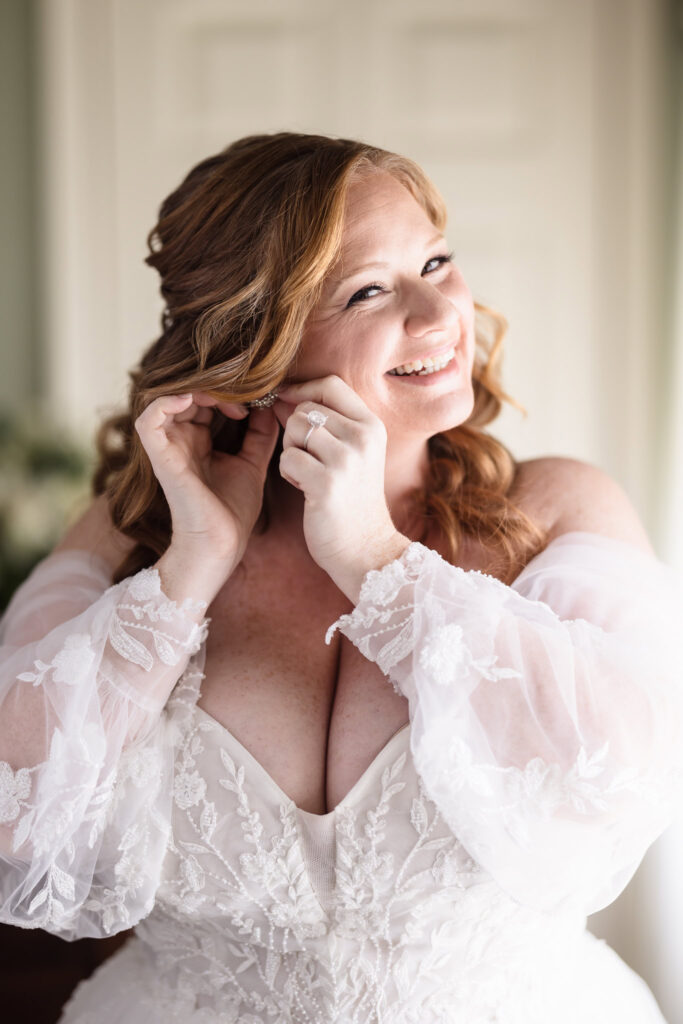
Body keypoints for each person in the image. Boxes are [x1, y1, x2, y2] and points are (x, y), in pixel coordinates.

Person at [0, 131, 682, 1024]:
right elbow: (19, 827)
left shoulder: (554, 510)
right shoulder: (128, 538)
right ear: (257, 346)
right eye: (368, 290)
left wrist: (379, 563)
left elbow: (626, 789)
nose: (439, 314)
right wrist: (190, 571)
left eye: (435, 260)